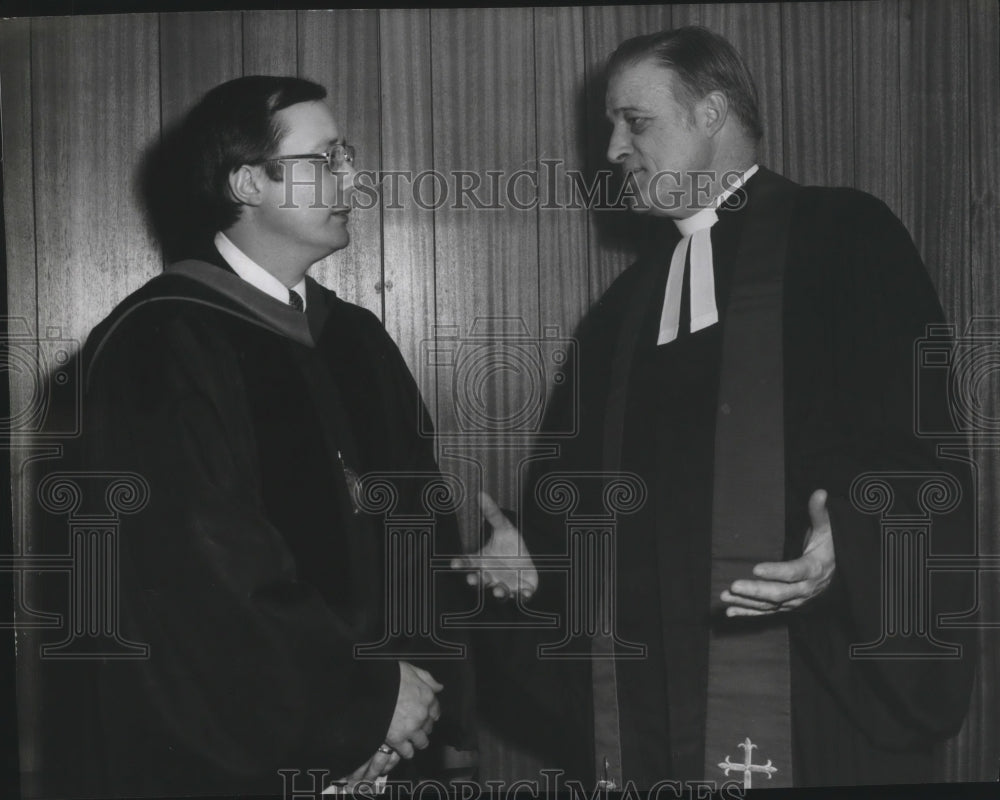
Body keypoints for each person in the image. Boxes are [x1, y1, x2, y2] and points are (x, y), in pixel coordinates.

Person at [462, 26, 976, 789]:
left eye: (635, 121)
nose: (611, 148)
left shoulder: (844, 237)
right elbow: (583, 509)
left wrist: (853, 540)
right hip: (650, 705)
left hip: (812, 687)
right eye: (611, 124)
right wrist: (532, 567)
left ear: (710, 113)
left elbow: (915, 447)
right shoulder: (623, 311)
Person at [62, 76, 472, 798]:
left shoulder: (357, 340)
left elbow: (421, 523)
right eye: (327, 159)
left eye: (347, 154)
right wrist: (367, 700)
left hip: (394, 739)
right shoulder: (157, 342)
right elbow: (197, 577)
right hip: (246, 749)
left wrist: (410, 699)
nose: (353, 177)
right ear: (249, 182)